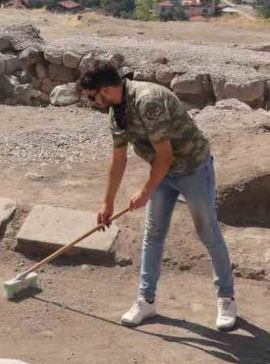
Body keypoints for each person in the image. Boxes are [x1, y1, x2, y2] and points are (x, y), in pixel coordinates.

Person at [80, 63, 237, 331]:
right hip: (163, 172)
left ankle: (226, 297)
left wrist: (145, 191)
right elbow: (118, 159)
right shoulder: (117, 111)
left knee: (208, 232)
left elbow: (166, 156)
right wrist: (107, 202)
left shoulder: (147, 100)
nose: (92, 102)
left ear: (104, 90)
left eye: (92, 97)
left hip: (192, 169)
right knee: (153, 234)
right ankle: (147, 300)